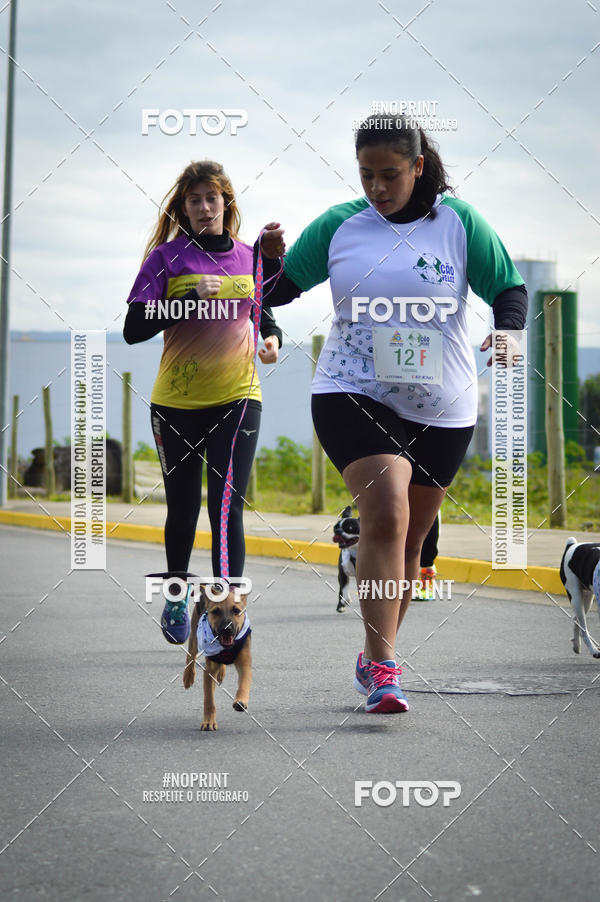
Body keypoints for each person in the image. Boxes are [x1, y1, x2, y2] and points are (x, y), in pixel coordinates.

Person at [262, 114, 527, 713]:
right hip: (352, 389)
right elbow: (270, 291)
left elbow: (508, 288)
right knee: (385, 512)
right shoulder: (338, 226)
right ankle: (385, 669)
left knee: (411, 540)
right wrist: (262, 260)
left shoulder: (459, 224)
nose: (377, 188)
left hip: (444, 400)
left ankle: (372, 652)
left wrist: (509, 333)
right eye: (366, 176)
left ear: (418, 168)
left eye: (389, 175)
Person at [123, 160, 286, 644]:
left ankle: (229, 610)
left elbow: (264, 314)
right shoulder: (165, 260)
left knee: (226, 504)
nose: (203, 207)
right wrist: (187, 298)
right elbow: (134, 329)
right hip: (176, 403)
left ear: (226, 204)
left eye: (211, 198)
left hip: (238, 395)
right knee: (183, 507)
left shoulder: (247, 258)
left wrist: (271, 339)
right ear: (183, 207)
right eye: (193, 200)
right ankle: (177, 592)